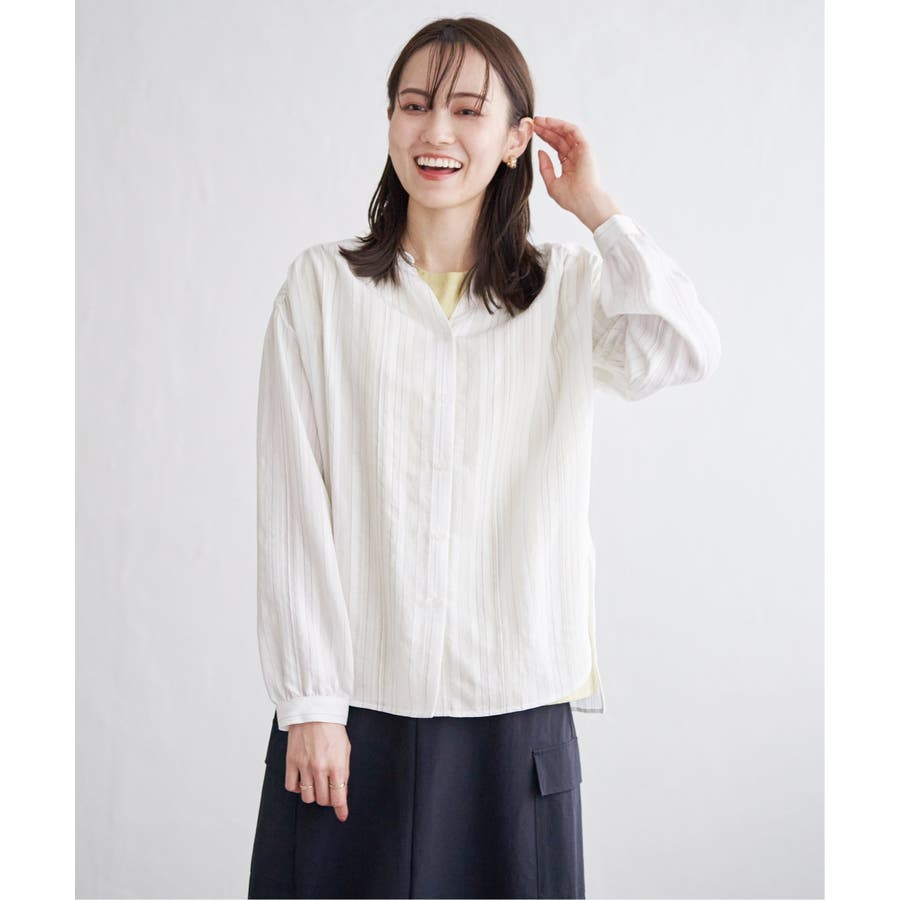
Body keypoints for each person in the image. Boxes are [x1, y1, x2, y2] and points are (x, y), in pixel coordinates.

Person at [248, 15, 721, 900]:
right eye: (414, 105)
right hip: (352, 714)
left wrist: (597, 209)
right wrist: (309, 703)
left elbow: (683, 349)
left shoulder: (567, 290)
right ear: (390, 121)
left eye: (468, 110)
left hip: (516, 714)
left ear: (515, 139)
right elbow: (291, 502)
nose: (436, 131)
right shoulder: (321, 288)